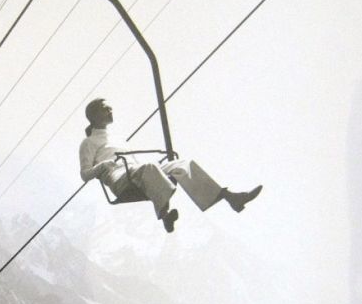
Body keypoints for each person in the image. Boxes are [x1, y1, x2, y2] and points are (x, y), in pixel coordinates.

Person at [79, 98, 262, 233]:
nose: (110, 109)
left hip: (136, 171)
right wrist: (103, 165)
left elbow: (136, 163)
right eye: (105, 108)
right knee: (149, 168)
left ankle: (229, 197)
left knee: (182, 164)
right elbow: (85, 174)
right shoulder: (88, 143)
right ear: (94, 116)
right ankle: (164, 214)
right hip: (119, 177)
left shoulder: (119, 139)